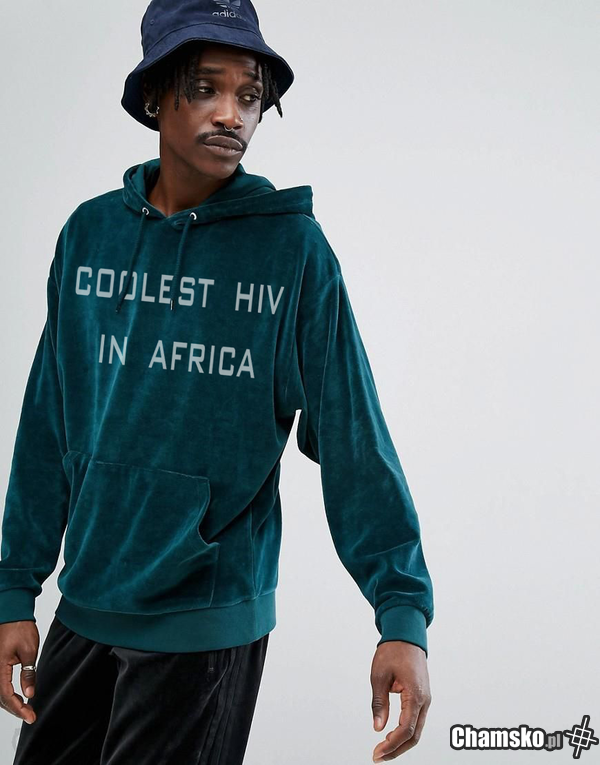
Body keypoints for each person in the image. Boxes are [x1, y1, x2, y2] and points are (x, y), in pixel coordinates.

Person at [0, 1, 434, 762]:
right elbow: (49, 420)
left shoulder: (293, 252)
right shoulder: (90, 234)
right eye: (206, 89)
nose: (233, 115)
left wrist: (401, 613)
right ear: (155, 96)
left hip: (204, 625)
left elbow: (352, 434)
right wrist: (15, 587)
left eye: (250, 96)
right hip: (86, 602)